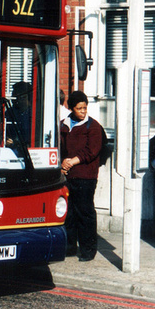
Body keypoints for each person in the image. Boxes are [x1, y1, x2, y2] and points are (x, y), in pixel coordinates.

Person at [60, 90, 104, 261]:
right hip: (68, 176)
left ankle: (88, 250)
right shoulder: (63, 125)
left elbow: (91, 151)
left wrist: (72, 162)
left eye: (85, 108)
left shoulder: (93, 127)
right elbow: (60, 148)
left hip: (86, 177)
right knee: (69, 214)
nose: (83, 112)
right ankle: (69, 247)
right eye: (79, 109)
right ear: (71, 108)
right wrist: (63, 163)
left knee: (84, 213)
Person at [5, 81, 32, 147]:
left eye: (21, 97)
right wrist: (6, 139)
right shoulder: (9, 113)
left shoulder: (35, 114)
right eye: (14, 97)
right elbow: (0, 132)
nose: (16, 100)